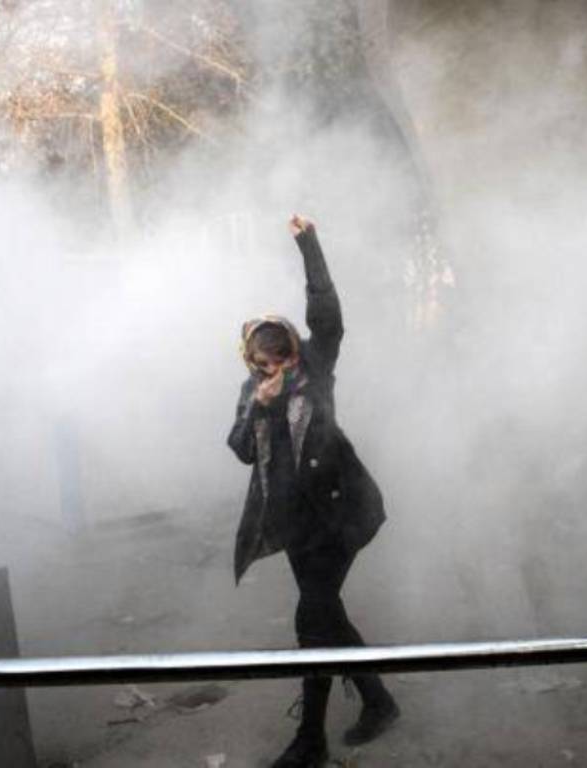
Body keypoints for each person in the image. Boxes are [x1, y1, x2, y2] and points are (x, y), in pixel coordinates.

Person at [228, 215, 399, 767]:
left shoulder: (316, 368)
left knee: (313, 620)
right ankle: (378, 701)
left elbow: (328, 318)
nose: (274, 371)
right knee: (328, 616)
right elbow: (241, 449)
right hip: (296, 526)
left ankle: (310, 739)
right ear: (252, 361)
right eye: (263, 364)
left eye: (282, 360)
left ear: (295, 353)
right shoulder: (252, 391)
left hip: (342, 518)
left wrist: (309, 244)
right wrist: (260, 408)